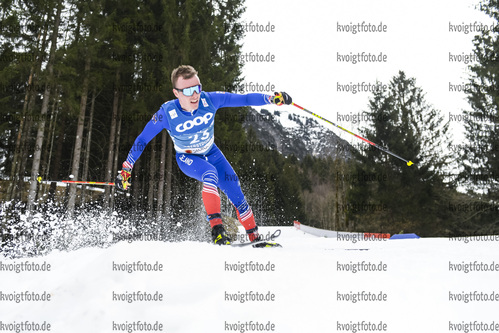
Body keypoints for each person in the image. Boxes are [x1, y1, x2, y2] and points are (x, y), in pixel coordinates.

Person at [116, 65, 292, 246]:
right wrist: (127, 167)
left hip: (211, 152)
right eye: (188, 90)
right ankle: (218, 233)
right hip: (188, 158)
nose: (195, 95)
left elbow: (244, 98)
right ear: (176, 93)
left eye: (197, 88)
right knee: (210, 174)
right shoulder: (166, 114)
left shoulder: (210, 100)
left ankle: (255, 239)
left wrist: (271, 98)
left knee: (236, 192)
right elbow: (143, 139)